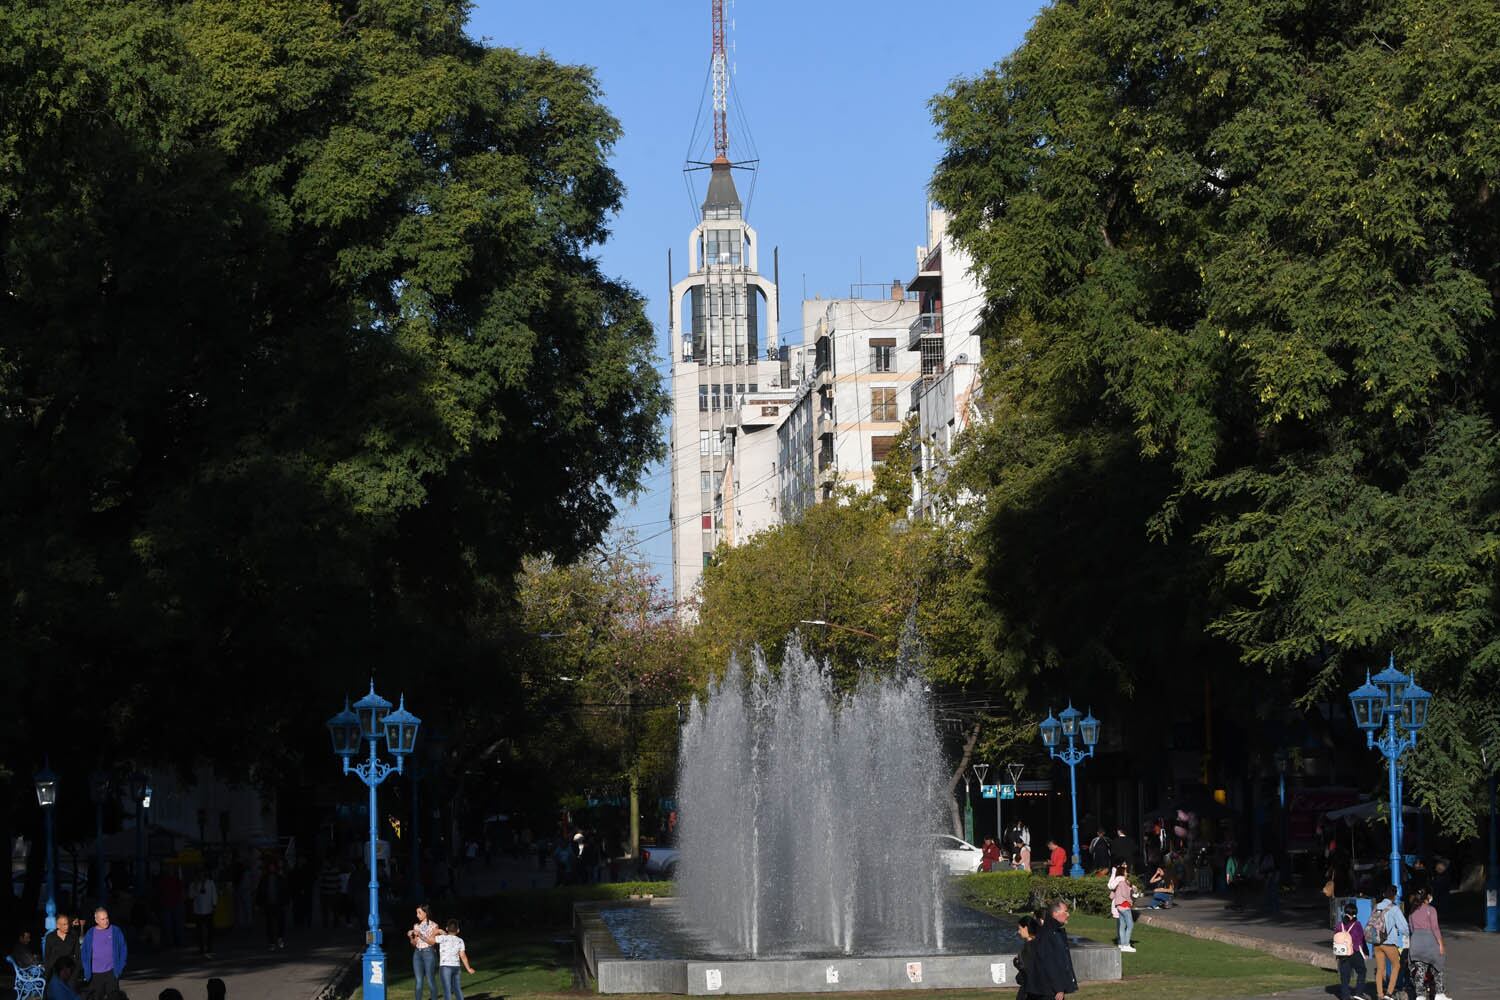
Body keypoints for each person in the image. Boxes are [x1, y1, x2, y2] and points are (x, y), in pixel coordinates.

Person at [1026, 899, 1078, 1000]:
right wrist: (1058, 987)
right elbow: (1049, 962)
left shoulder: (1057, 932)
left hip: (1053, 988)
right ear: (1055, 913)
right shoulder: (1048, 933)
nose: (1068, 915)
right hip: (1048, 990)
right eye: (1065, 912)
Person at [1368, 884, 1409, 1000]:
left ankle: (1380, 994)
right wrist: (1408, 934)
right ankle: (1389, 993)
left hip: (1376, 942)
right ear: (1395, 895)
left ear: (1384, 894)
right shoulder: (1394, 908)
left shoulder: (1377, 906)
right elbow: (1404, 927)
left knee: (1380, 968)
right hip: (1389, 942)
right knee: (1396, 966)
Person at [1407, 888, 1448, 1000]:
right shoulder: (1431, 910)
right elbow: (1435, 928)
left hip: (1416, 942)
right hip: (1430, 942)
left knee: (1420, 970)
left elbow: (1411, 928)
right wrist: (1441, 944)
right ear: (1427, 898)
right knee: (1437, 967)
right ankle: (1439, 994)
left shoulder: (1412, 911)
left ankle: (1420, 996)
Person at [79, 907, 128, 1000]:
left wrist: (119, 968)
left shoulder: (115, 931)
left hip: (112, 972)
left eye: (107, 918)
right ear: (96, 920)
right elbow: (84, 953)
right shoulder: (90, 933)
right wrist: (86, 970)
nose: (106, 921)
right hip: (95, 974)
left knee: (114, 998)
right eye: (103, 919)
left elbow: (123, 949)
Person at [426, 919, 476, 1000]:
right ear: (458, 930)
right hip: (456, 967)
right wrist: (468, 968)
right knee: (457, 989)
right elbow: (463, 956)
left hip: (445, 967)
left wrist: (436, 931)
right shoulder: (460, 941)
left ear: (446, 928)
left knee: (447, 990)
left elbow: (429, 940)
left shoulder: (442, 938)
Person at [1333, 900, 1367, 1000]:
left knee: (1345, 977)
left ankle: (1345, 996)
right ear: (1355, 914)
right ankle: (1359, 993)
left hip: (1342, 954)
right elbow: (1362, 939)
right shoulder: (1357, 924)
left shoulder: (1339, 925)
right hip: (1354, 952)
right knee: (1362, 971)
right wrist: (1365, 952)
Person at [407, 903, 439, 1000]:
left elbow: (432, 942)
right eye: (417, 913)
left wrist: (420, 935)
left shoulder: (434, 925)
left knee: (430, 980)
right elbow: (414, 944)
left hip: (429, 953)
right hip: (417, 953)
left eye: (419, 913)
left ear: (426, 913)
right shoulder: (416, 926)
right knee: (418, 981)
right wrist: (410, 937)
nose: (417, 915)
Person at [258, 859, 287, 950]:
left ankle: (279, 938)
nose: (272, 868)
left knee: (280, 923)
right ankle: (271, 942)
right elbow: (260, 891)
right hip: (268, 904)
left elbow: (285, 890)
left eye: (273, 866)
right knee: (269, 924)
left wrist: (285, 902)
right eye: (270, 866)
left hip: (278, 904)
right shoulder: (264, 878)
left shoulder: (280, 878)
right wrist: (258, 903)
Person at [190, 870, 219, 958]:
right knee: (199, 931)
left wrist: (214, 905)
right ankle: (201, 948)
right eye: (199, 875)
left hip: (208, 910)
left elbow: (214, 894)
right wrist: (195, 887)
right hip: (198, 910)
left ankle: (209, 947)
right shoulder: (193, 884)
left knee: (210, 930)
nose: (201, 877)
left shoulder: (210, 883)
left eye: (203, 875)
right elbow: (191, 896)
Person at [1108, 863, 1135, 953]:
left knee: (1122, 925)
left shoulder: (1117, 881)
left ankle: (1122, 944)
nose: (1127, 873)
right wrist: (1131, 898)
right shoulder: (1123, 881)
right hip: (1124, 905)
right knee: (1130, 925)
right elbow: (1125, 894)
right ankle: (1126, 944)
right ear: (1122, 872)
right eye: (1126, 871)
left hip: (1118, 905)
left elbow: (1112, 895)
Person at [1012, 915, 1041, 1000]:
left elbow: (1028, 972)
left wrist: (1017, 964)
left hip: (1030, 991)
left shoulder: (1030, 947)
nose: (1019, 932)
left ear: (1026, 928)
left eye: (1020, 928)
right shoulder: (1039, 944)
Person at [44, 913, 81, 979]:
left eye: (67, 924)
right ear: (57, 925)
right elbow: (47, 957)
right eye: (64, 924)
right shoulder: (50, 937)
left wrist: (76, 973)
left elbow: (78, 955)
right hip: (54, 973)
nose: (67, 926)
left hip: (70, 973)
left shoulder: (73, 936)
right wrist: (48, 975)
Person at [317, 857, 343, 928]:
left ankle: (333, 923)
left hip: (331, 893)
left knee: (333, 910)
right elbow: (321, 882)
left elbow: (338, 882)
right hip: (328, 893)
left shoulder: (331, 870)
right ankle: (328, 924)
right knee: (328, 910)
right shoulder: (325, 870)